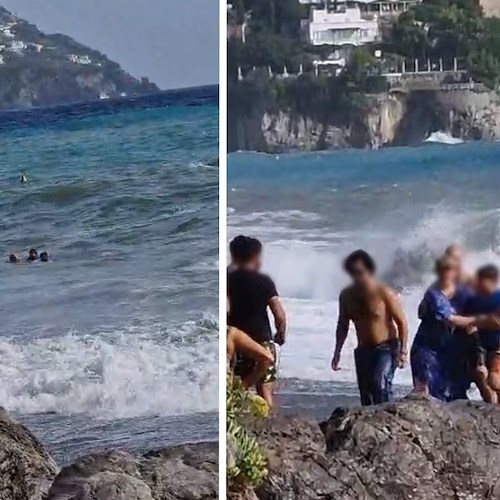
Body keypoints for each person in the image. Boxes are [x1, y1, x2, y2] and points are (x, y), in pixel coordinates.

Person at [410, 255, 498, 400]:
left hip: (454, 352)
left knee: (457, 394)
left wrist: (478, 353)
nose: (446, 273)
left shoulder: (465, 293)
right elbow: (451, 320)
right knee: (429, 392)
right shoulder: (434, 294)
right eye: (443, 269)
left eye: (450, 269)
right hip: (430, 350)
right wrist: (482, 320)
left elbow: (476, 319)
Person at [331, 250, 409, 406]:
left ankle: (387, 424)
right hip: (363, 350)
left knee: (380, 386)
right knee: (367, 396)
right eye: (353, 273)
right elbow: (343, 325)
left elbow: (402, 322)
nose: (357, 277)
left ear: (369, 270)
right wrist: (337, 352)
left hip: (386, 348)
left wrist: (403, 351)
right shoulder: (347, 295)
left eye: (360, 272)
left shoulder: (384, 292)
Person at [227, 236, 286, 407]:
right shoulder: (264, 281)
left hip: (238, 342)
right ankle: (268, 428)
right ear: (256, 257)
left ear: (234, 257)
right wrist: (280, 333)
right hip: (261, 341)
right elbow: (279, 314)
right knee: (264, 389)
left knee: (233, 384)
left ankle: (234, 423)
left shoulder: (227, 279)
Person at [462, 264, 500, 403]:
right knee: (482, 381)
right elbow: (469, 327)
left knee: (494, 381)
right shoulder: (472, 301)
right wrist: (480, 358)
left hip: (497, 347)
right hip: (479, 346)